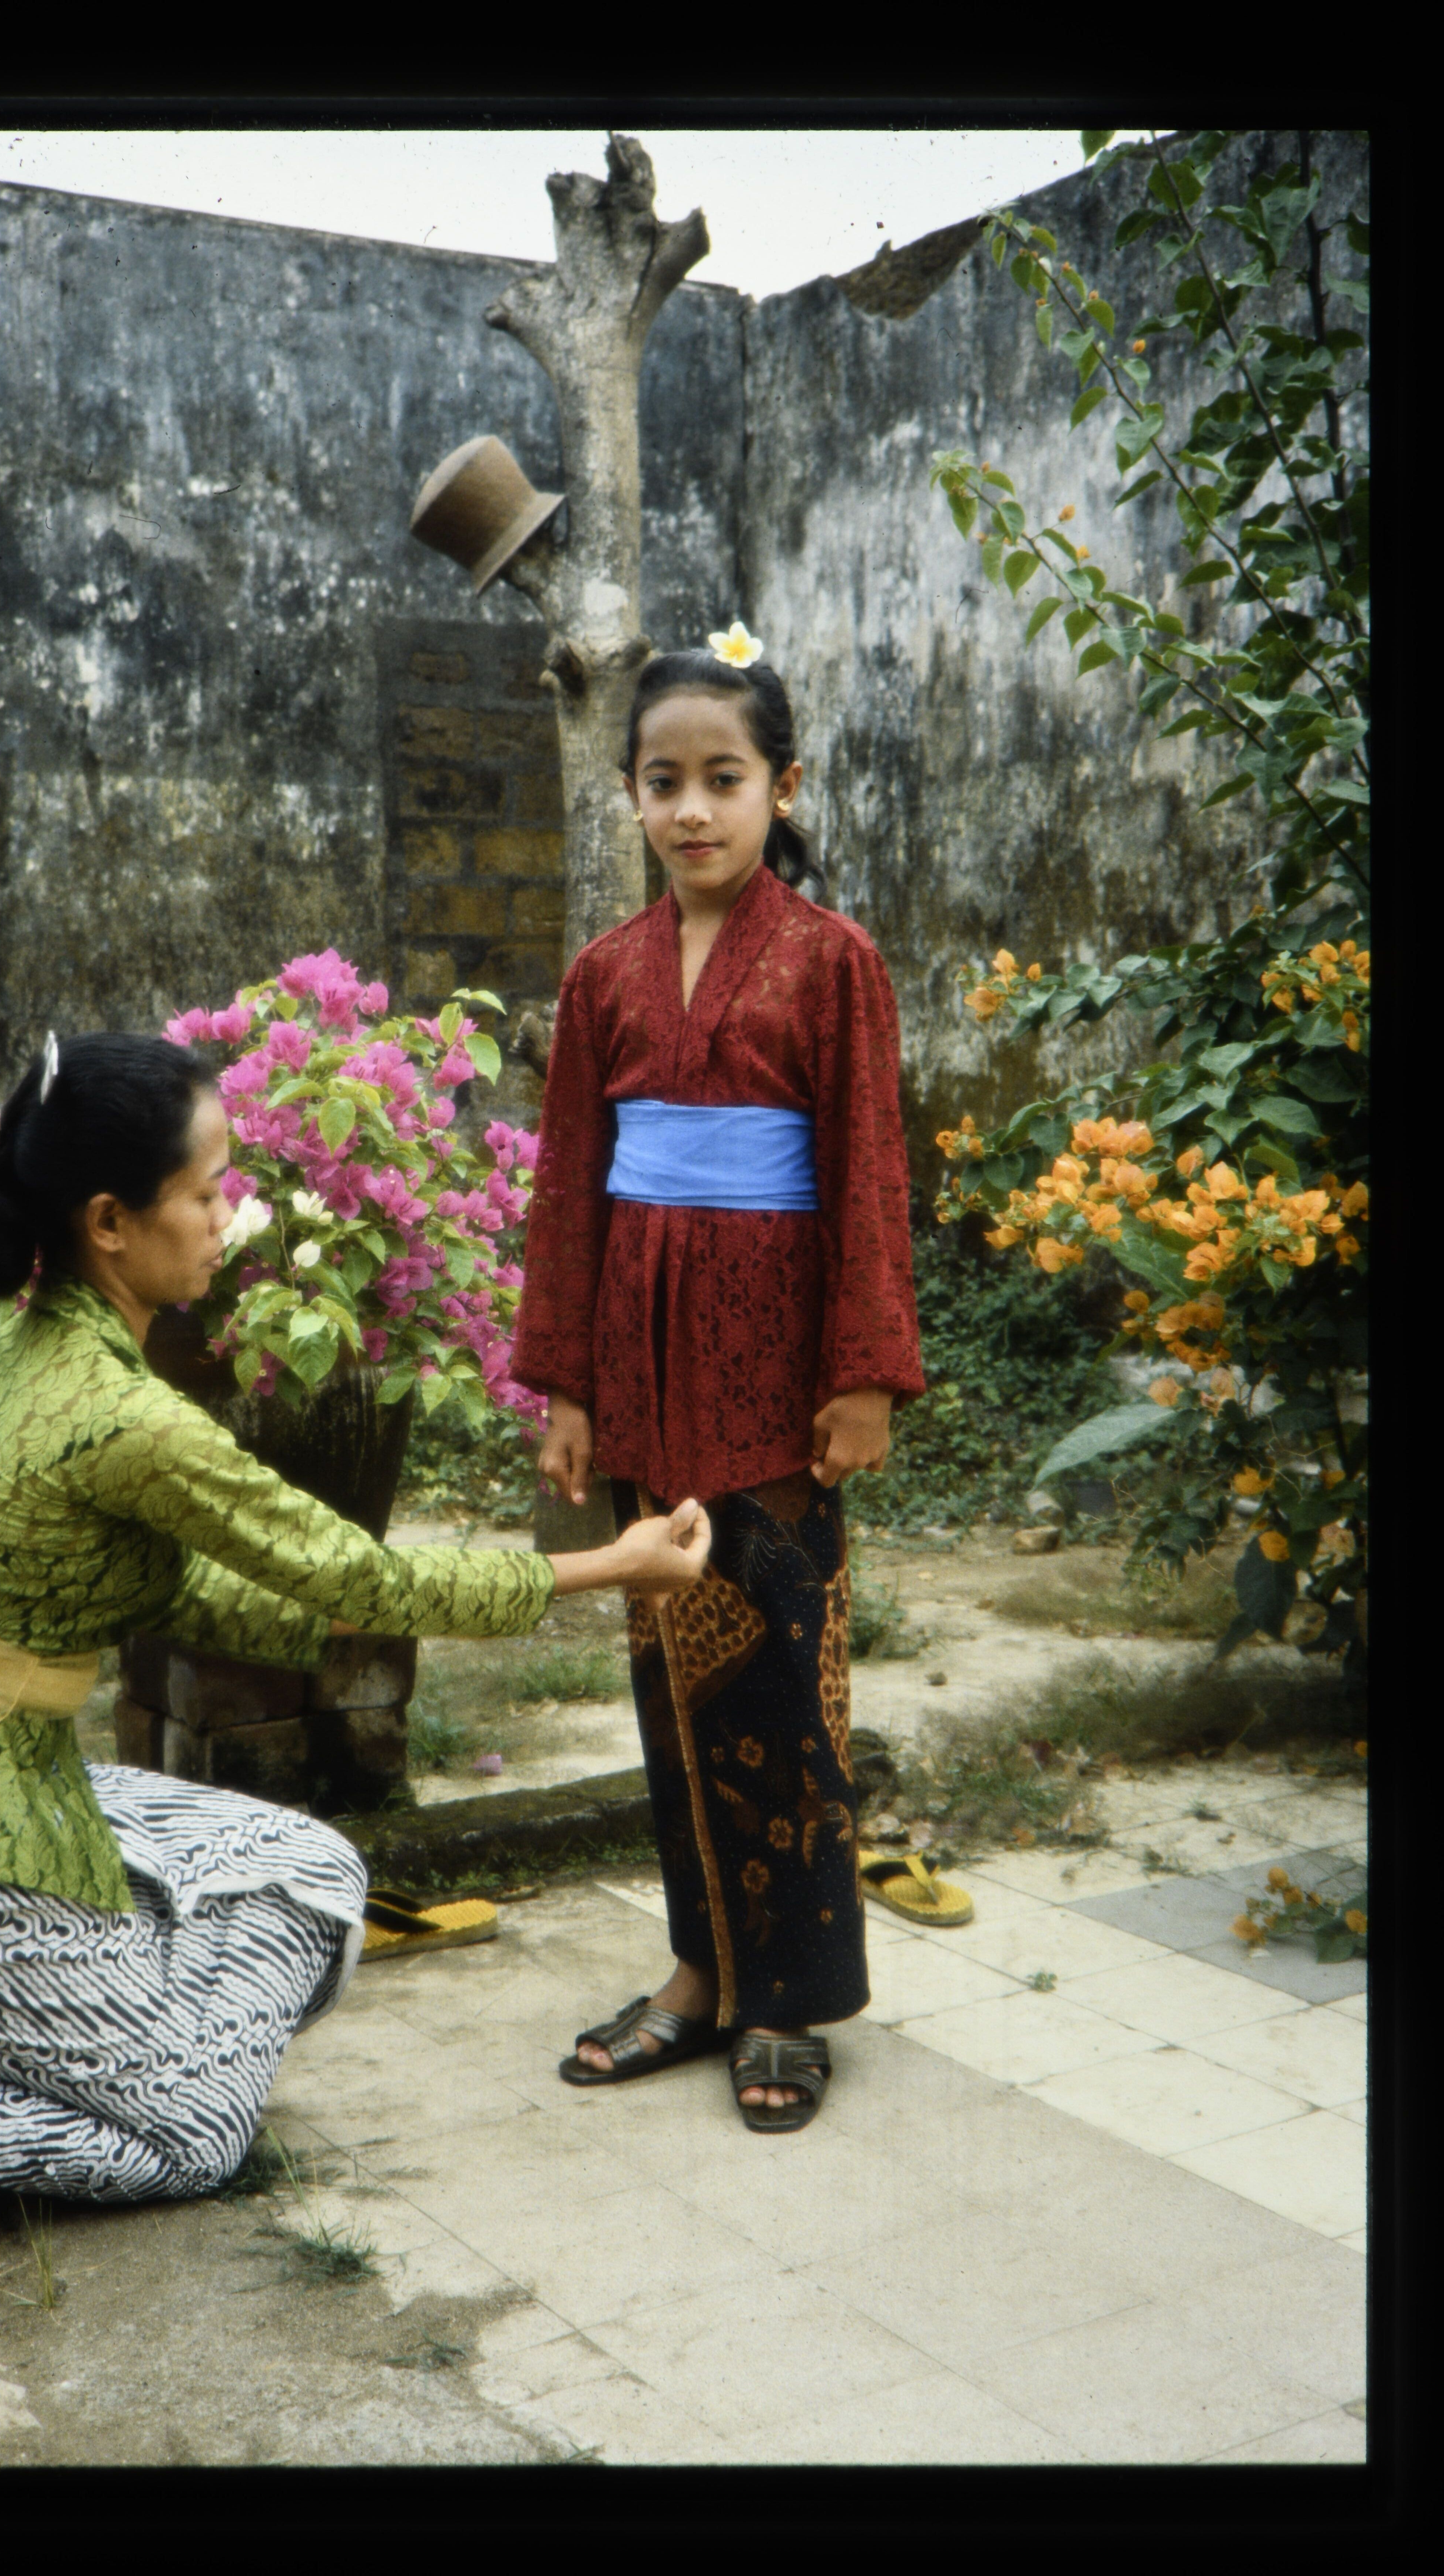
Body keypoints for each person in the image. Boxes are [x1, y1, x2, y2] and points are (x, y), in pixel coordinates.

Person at [0, 1031, 710, 2201]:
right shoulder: (123, 1415)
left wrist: (312, 1623)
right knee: (192, 2138)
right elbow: (370, 1581)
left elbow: (161, 1588)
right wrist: (614, 1566)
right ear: (109, 1222)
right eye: (202, 1193)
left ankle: (41, 2045)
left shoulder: (32, 1342)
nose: (225, 1213)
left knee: (315, 1874)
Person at [510, 639, 926, 2133]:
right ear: (631, 794)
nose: (692, 809)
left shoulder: (832, 961)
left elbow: (868, 1170)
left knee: (777, 1676)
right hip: (642, 1365)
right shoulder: (603, 975)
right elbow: (570, 1184)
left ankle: (786, 1998)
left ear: (781, 788)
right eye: (663, 781)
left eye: (723, 779)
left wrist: (865, 1374)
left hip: (778, 1372)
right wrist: (567, 1384)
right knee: (667, 1678)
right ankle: (700, 1972)